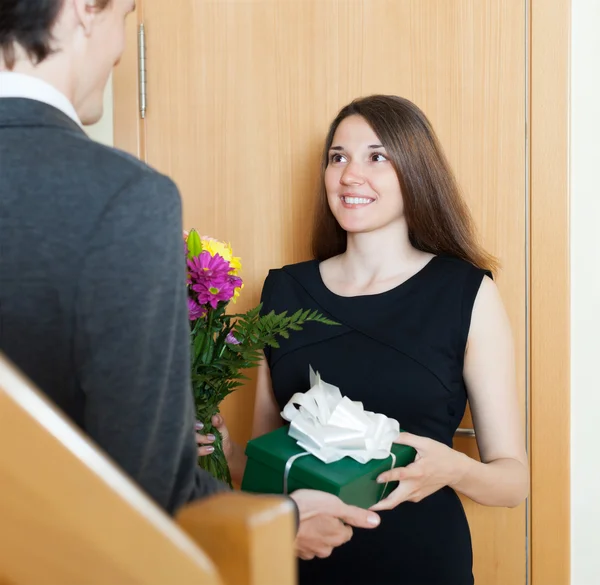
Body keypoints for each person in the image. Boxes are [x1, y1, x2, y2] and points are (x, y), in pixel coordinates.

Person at [0, 0, 380, 560]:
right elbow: (154, 489)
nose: (120, 51)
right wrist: (285, 519)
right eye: (124, 16)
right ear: (84, 9)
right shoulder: (122, 197)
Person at [197, 95, 529, 583]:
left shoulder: (465, 293)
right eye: (338, 157)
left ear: (415, 172)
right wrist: (226, 456)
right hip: (301, 563)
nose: (350, 175)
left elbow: (512, 481)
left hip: (421, 562)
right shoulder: (284, 290)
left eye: (377, 156)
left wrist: (454, 469)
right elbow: (267, 468)